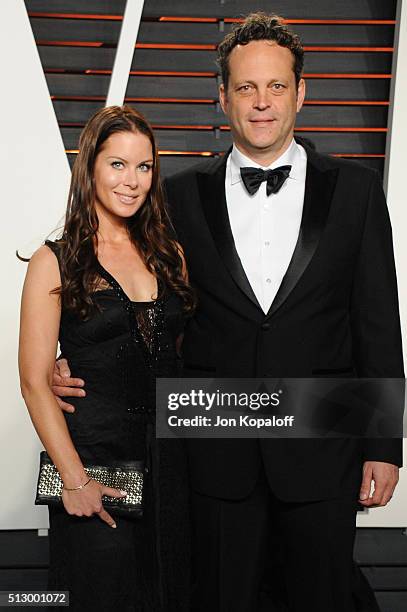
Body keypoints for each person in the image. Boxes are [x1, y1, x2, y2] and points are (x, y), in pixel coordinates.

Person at [53, 13, 404, 612]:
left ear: (301, 92)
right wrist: (79, 355)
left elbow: (377, 320)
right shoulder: (176, 195)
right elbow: (136, 294)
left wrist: (384, 445)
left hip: (323, 444)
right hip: (214, 446)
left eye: (275, 87)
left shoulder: (358, 192)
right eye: (245, 87)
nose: (261, 103)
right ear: (222, 96)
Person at [19, 105, 194, 612]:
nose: (132, 181)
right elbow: (33, 381)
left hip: (171, 469)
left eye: (144, 167)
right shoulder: (55, 261)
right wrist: (74, 481)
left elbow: (175, 358)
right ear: (91, 167)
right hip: (95, 463)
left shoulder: (168, 254)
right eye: (117, 164)